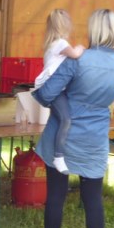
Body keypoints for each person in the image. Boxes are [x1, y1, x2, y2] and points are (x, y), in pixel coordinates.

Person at [33, 9, 114, 228]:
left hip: (63, 135)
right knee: (93, 198)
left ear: (93, 29)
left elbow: (47, 93)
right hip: (95, 135)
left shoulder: (78, 59)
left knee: (56, 195)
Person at [34, 9, 85, 174]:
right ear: (65, 26)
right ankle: (58, 156)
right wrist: (81, 48)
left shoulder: (51, 45)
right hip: (53, 89)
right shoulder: (62, 44)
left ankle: (53, 152)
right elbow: (75, 55)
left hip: (51, 89)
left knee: (59, 121)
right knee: (66, 120)